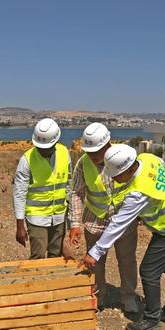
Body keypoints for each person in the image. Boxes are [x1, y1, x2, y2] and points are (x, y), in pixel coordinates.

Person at [82, 144, 165, 330]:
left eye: (116, 175)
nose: (113, 179)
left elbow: (118, 224)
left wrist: (95, 252)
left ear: (130, 169)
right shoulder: (149, 159)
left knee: (148, 271)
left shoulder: (137, 193)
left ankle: (152, 318)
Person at [67, 123, 138, 313]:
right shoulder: (83, 163)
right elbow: (76, 193)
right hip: (95, 222)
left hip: (124, 223)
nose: (93, 156)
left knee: (127, 260)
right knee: (94, 262)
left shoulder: (123, 158)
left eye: (97, 152)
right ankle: (98, 295)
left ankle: (129, 297)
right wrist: (75, 224)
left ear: (108, 144)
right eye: (90, 152)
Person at [13, 118, 72, 259]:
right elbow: (19, 194)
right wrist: (20, 226)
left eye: (47, 147)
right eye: (40, 147)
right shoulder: (26, 160)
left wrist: (70, 218)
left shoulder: (64, 153)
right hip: (36, 217)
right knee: (38, 255)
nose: (43, 150)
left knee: (56, 254)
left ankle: (52, 280)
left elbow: (69, 185)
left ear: (55, 142)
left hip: (58, 215)